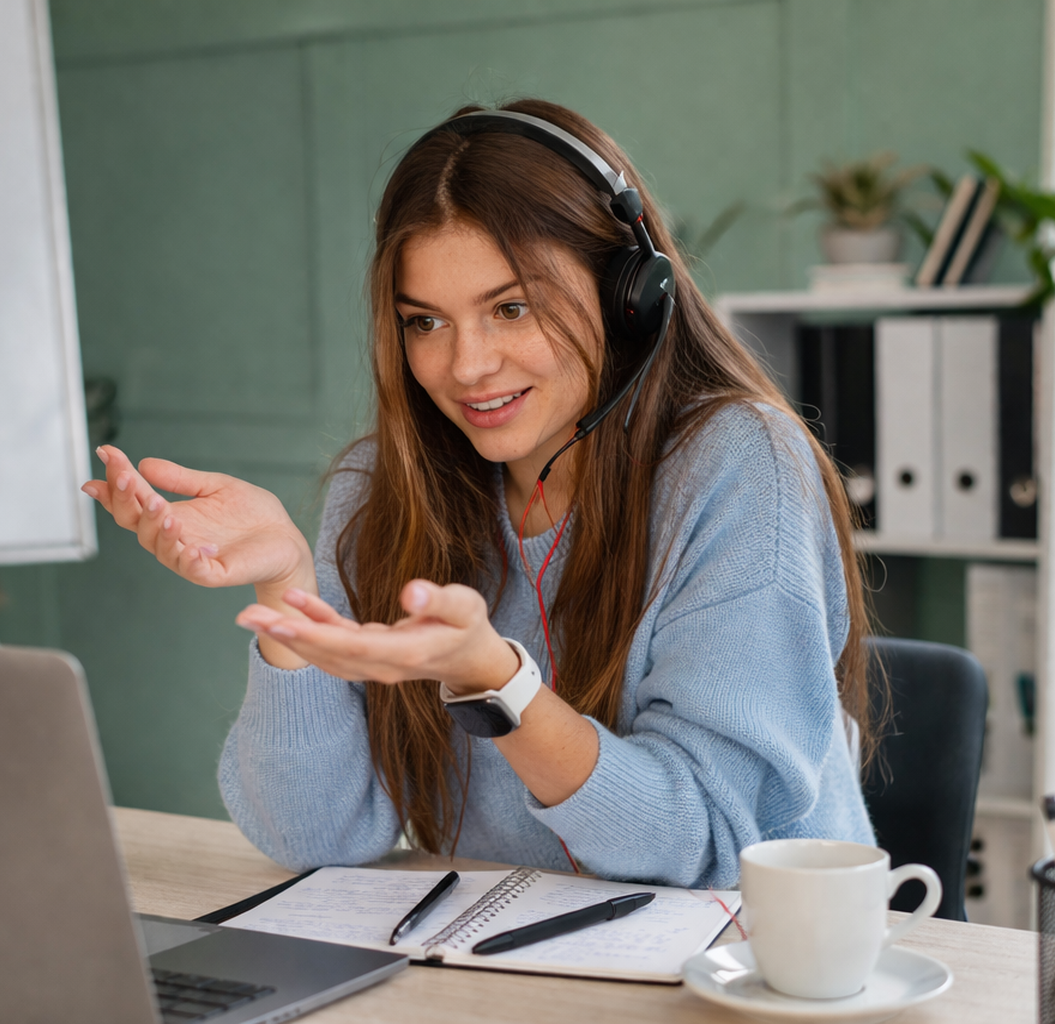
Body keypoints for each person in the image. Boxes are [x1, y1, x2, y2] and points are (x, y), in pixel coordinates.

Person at [81, 99, 875, 887]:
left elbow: (706, 842)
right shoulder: (385, 488)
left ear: (630, 296)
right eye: (425, 322)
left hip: (747, 972)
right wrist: (290, 590)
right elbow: (315, 837)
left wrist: (497, 683)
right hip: (518, 962)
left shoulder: (737, 465)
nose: (466, 367)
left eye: (511, 308)